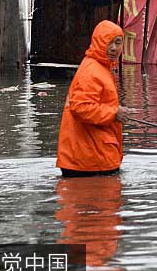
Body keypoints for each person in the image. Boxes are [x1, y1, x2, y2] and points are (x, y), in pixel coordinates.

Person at [57, 21, 135, 177]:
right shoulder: (92, 71)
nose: (113, 48)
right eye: (108, 42)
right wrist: (114, 113)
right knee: (105, 199)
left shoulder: (100, 68)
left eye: (118, 42)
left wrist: (114, 112)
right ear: (98, 42)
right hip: (89, 161)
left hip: (92, 157)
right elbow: (80, 108)